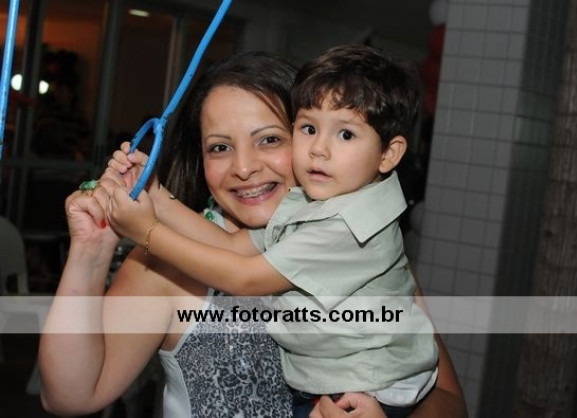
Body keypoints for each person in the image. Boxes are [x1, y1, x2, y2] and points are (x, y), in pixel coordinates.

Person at [41, 49, 466, 418]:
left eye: (269, 140)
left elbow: (448, 401)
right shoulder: (167, 264)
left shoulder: (362, 245)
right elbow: (69, 398)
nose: (244, 167)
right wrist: (91, 251)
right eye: (220, 147)